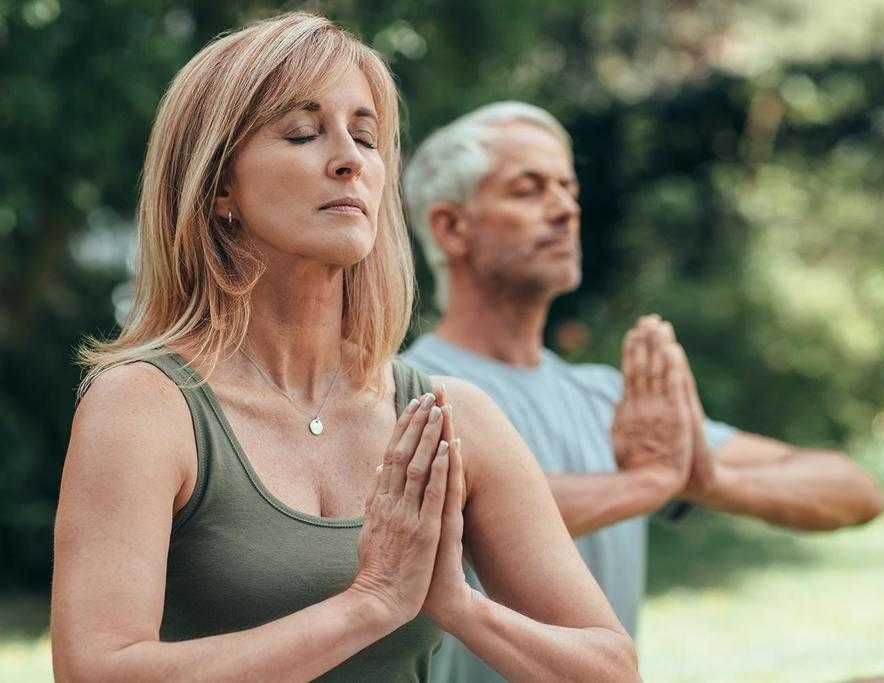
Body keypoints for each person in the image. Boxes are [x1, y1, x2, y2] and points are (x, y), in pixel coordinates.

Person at [50, 18, 639, 682]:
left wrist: (458, 605)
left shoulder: (450, 417)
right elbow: (94, 671)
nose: (349, 159)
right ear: (219, 189)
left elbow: (610, 666)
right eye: (302, 133)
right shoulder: (143, 405)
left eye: (365, 136)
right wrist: (371, 602)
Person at [401, 101, 884, 681]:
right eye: (529, 189)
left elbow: (855, 490)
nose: (564, 208)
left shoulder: (612, 400)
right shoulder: (408, 392)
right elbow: (469, 511)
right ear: (451, 228)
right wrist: (644, 483)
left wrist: (707, 481)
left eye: (567, 187)